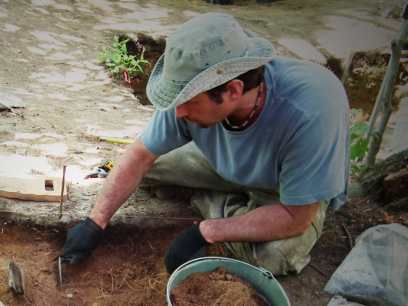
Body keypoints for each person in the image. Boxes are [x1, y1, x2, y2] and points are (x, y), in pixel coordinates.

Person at [60, 12, 350, 276]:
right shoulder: (189, 97)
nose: (178, 113)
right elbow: (138, 157)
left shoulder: (313, 110)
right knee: (141, 173)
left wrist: (207, 232)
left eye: (188, 103)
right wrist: (95, 221)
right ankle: (226, 202)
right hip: (221, 163)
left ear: (233, 90)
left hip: (285, 193)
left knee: (274, 258)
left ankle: (212, 204)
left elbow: (296, 217)